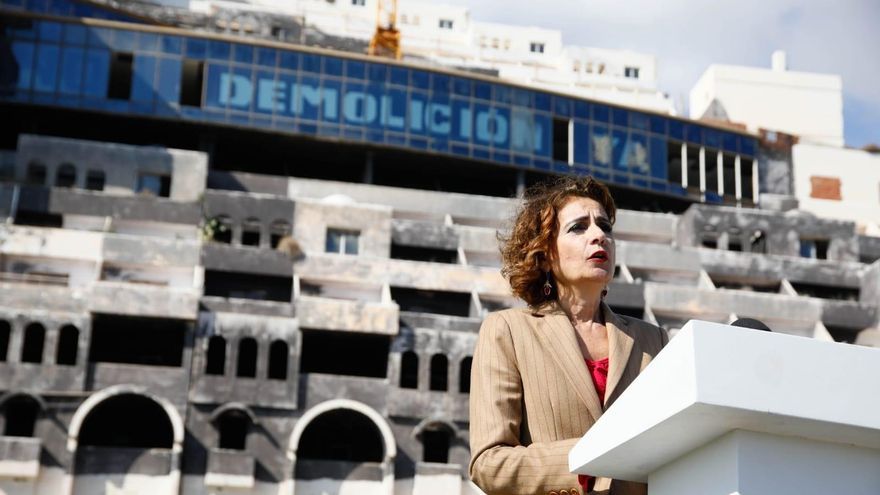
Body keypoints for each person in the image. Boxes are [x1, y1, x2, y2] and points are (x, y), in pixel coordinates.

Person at [469, 176, 668, 495]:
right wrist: (587, 459)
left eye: (605, 227)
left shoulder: (654, 340)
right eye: (579, 227)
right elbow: (489, 462)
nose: (599, 236)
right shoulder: (507, 331)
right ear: (545, 254)